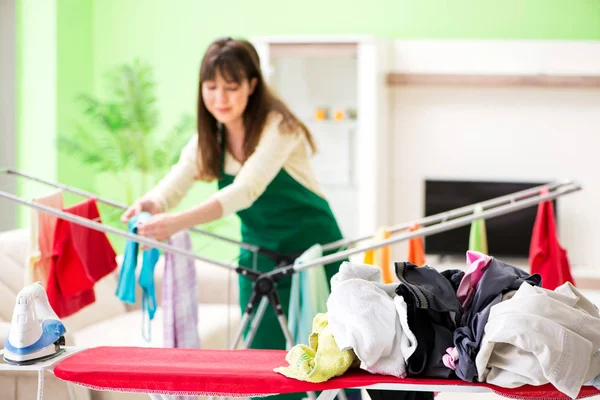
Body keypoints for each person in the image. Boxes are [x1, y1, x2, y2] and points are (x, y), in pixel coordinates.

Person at [121, 37, 355, 400]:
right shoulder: (208, 140)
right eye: (211, 87)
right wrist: (149, 204)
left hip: (315, 256)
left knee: (333, 363)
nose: (220, 98)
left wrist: (177, 222)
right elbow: (175, 182)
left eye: (231, 87)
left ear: (252, 85)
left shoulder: (280, 126)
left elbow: (244, 191)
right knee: (267, 370)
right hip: (260, 265)